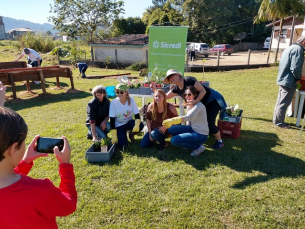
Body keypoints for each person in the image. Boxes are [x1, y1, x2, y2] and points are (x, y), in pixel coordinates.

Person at [0, 107, 77, 228]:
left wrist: (25, 162)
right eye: (23, 143)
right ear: (14, 148)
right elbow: (69, 204)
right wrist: (65, 165)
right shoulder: (40, 191)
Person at [151, 69, 227, 149]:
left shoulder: (189, 80)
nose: (171, 78)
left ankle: (219, 141)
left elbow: (203, 91)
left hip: (211, 100)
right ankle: (196, 136)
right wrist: (155, 90)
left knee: (210, 123)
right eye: (169, 77)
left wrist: (195, 101)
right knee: (201, 121)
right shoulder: (176, 88)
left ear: (179, 75)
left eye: (173, 75)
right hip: (200, 103)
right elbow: (164, 97)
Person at [162, 86, 209, 156]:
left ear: (195, 95)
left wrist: (172, 120)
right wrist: (185, 136)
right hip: (192, 129)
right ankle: (187, 142)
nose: (186, 97)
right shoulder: (189, 105)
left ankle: (198, 147)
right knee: (171, 129)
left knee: (174, 140)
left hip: (201, 134)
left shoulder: (199, 106)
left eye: (189, 94)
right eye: (185, 95)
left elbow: (188, 117)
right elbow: (188, 122)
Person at [273, 36, 305, 129]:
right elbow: (295, 67)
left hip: (284, 78)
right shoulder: (298, 49)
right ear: (304, 41)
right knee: (284, 103)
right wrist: (298, 78)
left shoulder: (290, 47)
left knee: (280, 102)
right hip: (289, 80)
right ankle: (279, 123)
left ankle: (277, 121)